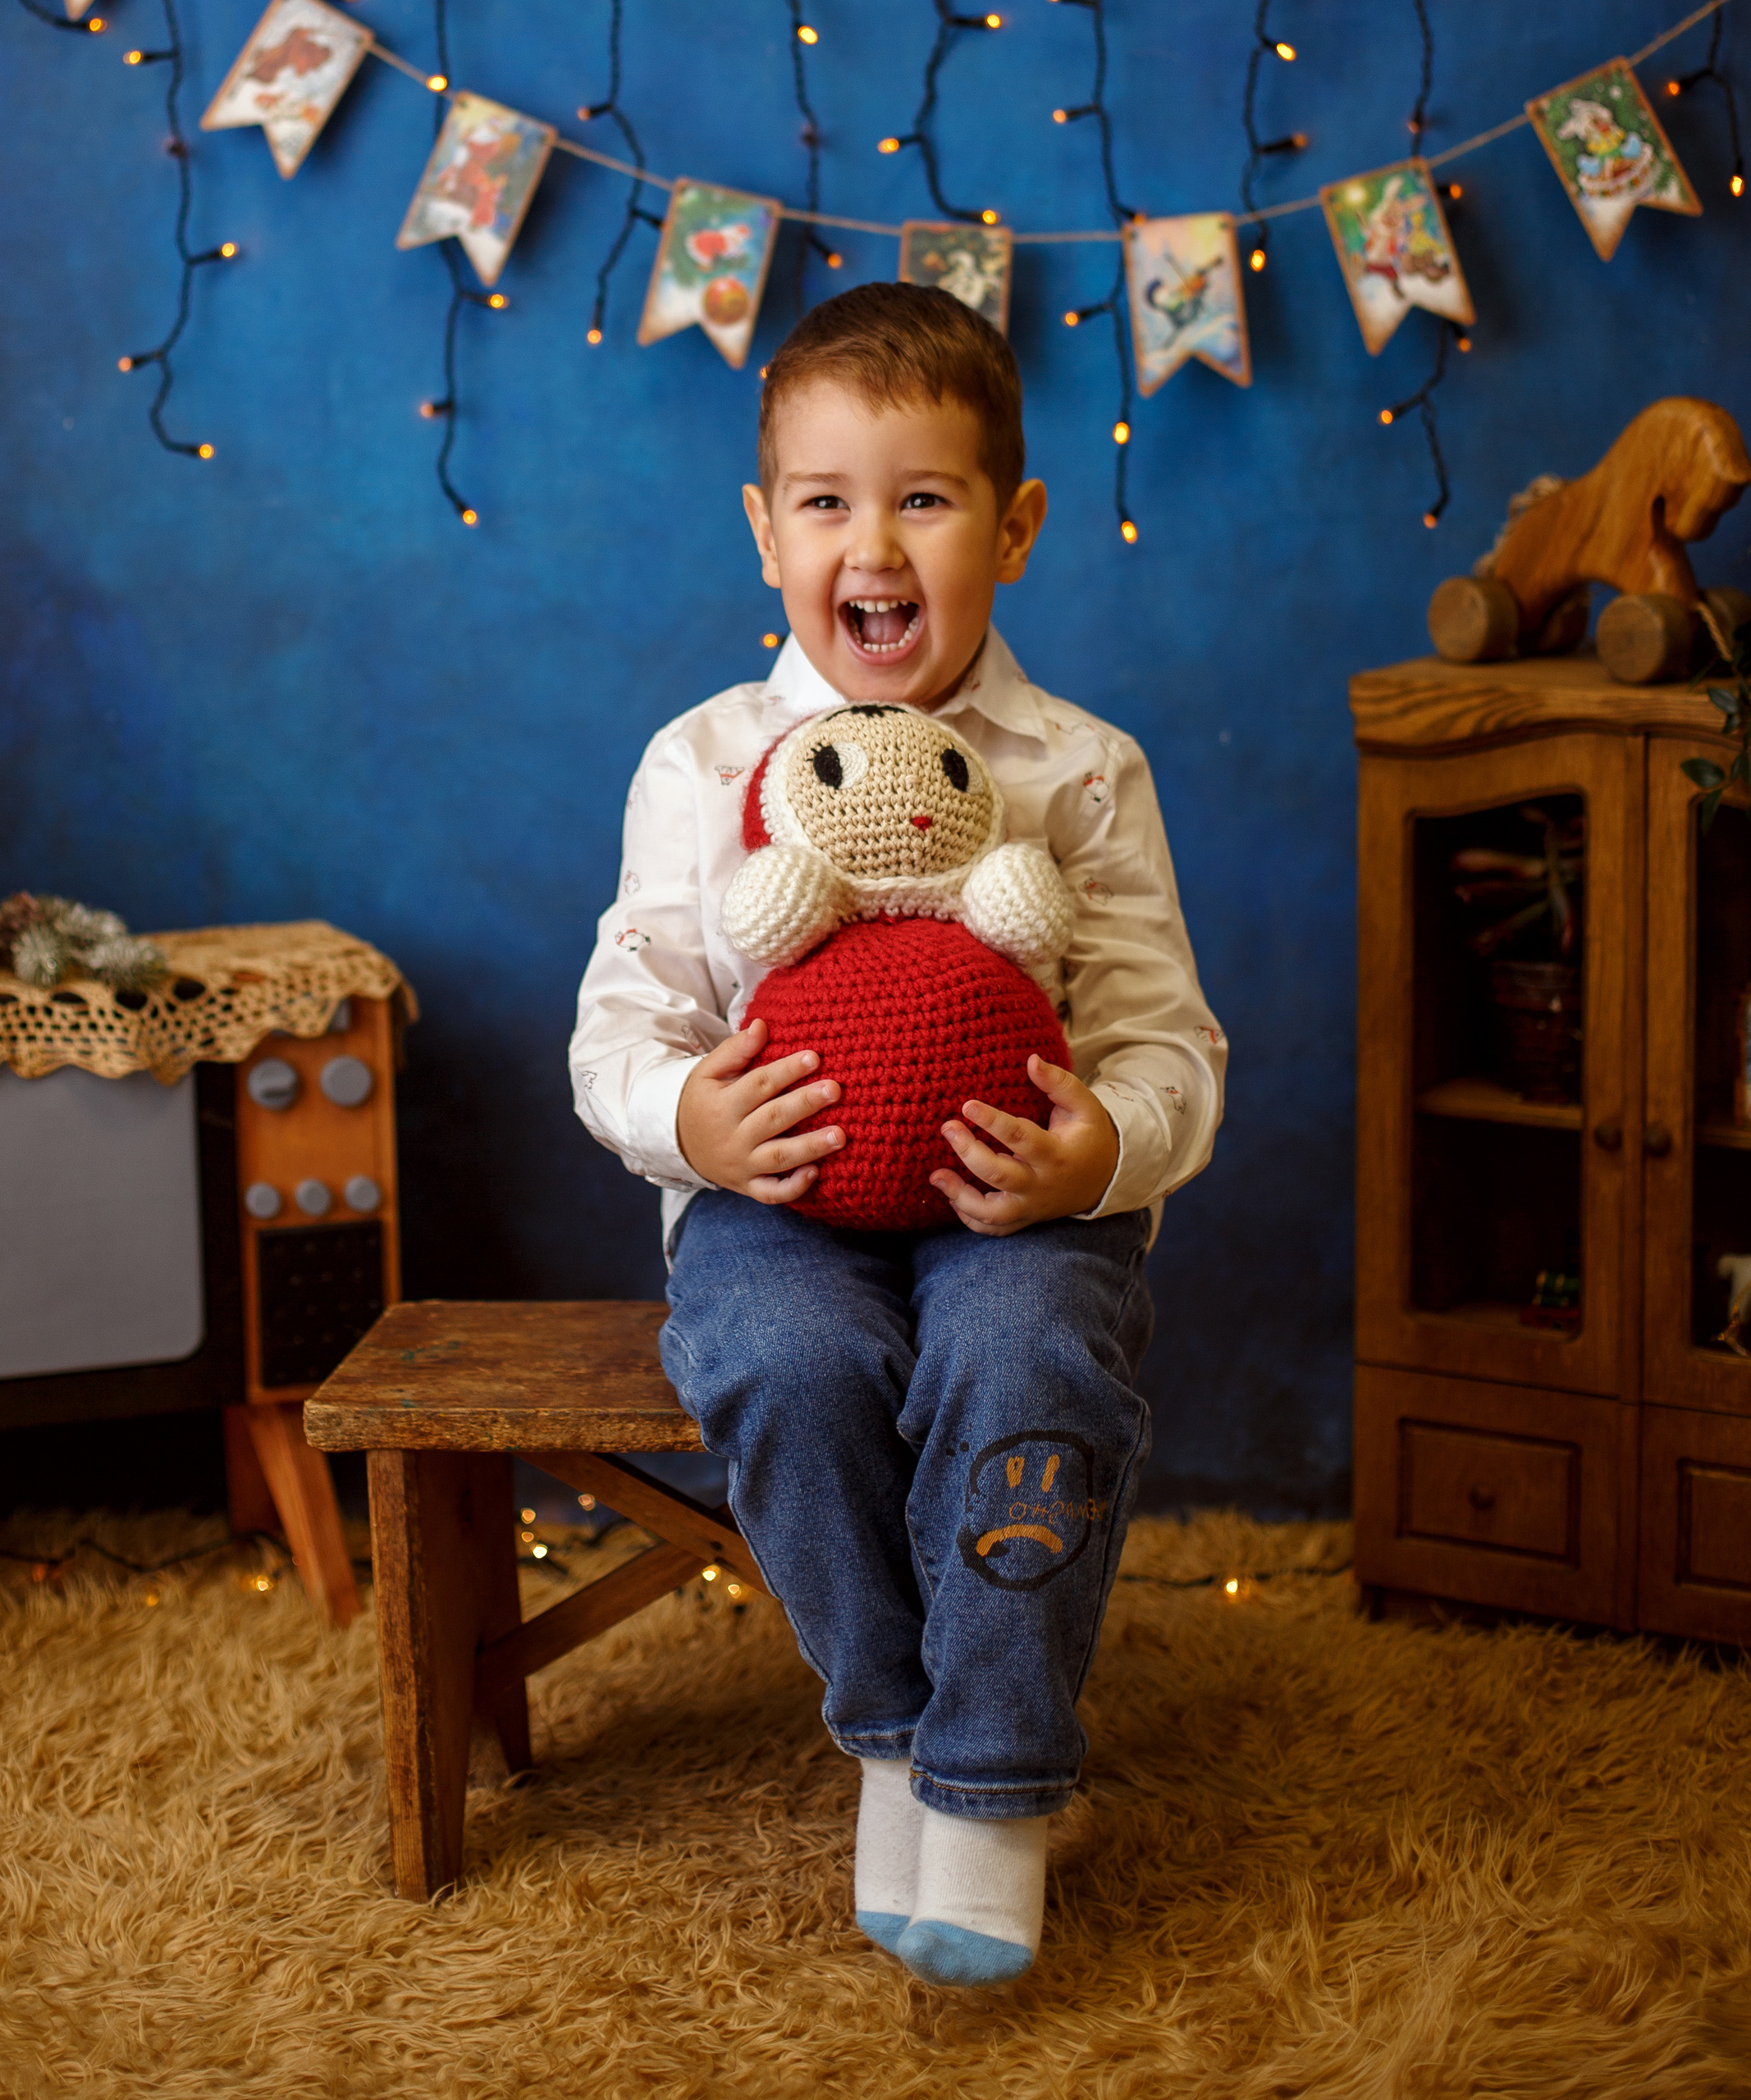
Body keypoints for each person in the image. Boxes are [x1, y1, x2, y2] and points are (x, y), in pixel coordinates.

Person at [568, 281, 1225, 1988]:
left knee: (1022, 1361)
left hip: (1013, 1200)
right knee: (783, 1357)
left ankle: (993, 1780)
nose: (874, 541)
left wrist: (1100, 1154)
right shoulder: (700, 760)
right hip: (775, 1198)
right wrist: (691, 1123)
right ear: (763, 527)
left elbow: (1166, 1040)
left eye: (923, 498)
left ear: (1010, 526)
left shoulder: (1075, 771)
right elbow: (622, 1026)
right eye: (826, 499)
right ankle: (893, 1731)